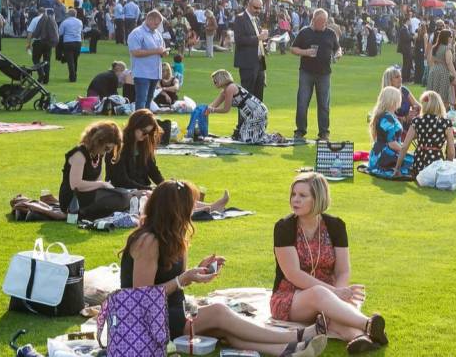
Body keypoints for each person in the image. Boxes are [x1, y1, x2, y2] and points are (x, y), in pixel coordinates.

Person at [123, 179, 323, 356]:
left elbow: (174, 279)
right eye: (189, 205)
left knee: (226, 329)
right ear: (174, 209)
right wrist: (183, 279)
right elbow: (141, 298)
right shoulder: (147, 241)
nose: (193, 210)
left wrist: (196, 272)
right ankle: (297, 336)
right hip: (149, 321)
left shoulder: (174, 235)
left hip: (174, 310)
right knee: (219, 312)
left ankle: (290, 351)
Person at [272, 173, 388, 354]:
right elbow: (293, 274)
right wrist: (335, 293)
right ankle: (367, 324)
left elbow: (343, 270)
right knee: (322, 296)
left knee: (332, 313)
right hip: (291, 297)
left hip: (329, 294)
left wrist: (339, 293)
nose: (295, 200)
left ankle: (359, 338)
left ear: (318, 198)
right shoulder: (284, 227)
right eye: (293, 194)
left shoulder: (335, 225)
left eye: (303, 196)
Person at [59, 120, 130, 220]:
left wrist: (104, 187)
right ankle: (80, 214)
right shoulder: (79, 154)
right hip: (72, 198)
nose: (108, 151)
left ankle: (92, 213)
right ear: (97, 141)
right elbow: (75, 185)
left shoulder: (98, 155)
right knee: (120, 198)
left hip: (88, 194)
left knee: (124, 195)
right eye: (106, 148)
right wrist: (101, 184)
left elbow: (97, 181)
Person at [291, 9, 340, 141]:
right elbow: (293, 48)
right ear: (314, 20)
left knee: (324, 104)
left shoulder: (331, 33)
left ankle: (324, 133)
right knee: (302, 102)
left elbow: (337, 48)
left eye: (325, 22)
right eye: (320, 22)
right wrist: (306, 52)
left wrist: (338, 54)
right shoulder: (304, 32)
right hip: (306, 72)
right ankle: (300, 131)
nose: (323, 24)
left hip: (324, 74)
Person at [395, 90, 455, 178]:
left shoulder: (417, 121)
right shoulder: (446, 123)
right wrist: (448, 168)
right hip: (436, 166)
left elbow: (404, 147)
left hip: (419, 165)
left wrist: (397, 168)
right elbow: (451, 151)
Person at [365, 86, 413, 179]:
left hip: (385, 152)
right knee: (413, 160)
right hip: (385, 155)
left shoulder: (389, 115)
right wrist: (405, 151)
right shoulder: (387, 118)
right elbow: (392, 144)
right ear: (393, 100)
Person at [128, 10, 168, 111]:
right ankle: (138, 123)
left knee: (149, 101)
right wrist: (155, 51)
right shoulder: (137, 33)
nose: (157, 26)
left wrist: (163, 52)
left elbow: (161, 48)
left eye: (158, 24)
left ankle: (146, 122)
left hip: (155, 72)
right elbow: (135, 52)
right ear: (149, 19)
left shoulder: (157, 34)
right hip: (142, 73)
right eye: (156, 23)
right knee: (141, 100)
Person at [233, 0, 268, 100]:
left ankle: (258, 117)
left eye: (260, 8)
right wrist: (258, 38)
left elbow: (258, 41)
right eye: (255, 8)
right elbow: (239, 40)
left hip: (259, 63)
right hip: (247, 63)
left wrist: (265, 42)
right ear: (248, 5)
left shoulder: (257, 19)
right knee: (246, 98)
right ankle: (244, 117)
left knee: (258, 98)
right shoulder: (240, 18)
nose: (258, 10)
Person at [424, 28, 454, 107]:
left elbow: (430, 60)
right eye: (451, 36)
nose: (452, 38)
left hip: (433, 70)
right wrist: (455, 74)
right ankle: (442, 114)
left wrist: (434, 68)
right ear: (447, 37)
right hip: (443, 72)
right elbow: (449, 63)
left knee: (432, 95)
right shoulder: (447, 48)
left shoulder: (434, 47)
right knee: (443, 96)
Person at [29, 8, 58, 84]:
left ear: (38, 12)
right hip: (48, 43)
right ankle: (46, 80)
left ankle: (41, 73)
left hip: (38, 42)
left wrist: (28, 43)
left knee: (35, 59)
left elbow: (31, 32)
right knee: (47, 61)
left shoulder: (35, 19)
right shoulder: (51, 19)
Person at [58, 8, 84, 83]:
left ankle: (72, 77)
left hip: (68, 42)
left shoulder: (65, 22)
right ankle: (74, 74)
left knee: (70, 60)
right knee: (75, 59)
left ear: (68, 14)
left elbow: (60, 33)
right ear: (75, 14)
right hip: (77, 42)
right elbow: (81, 31)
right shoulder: (79, 22)